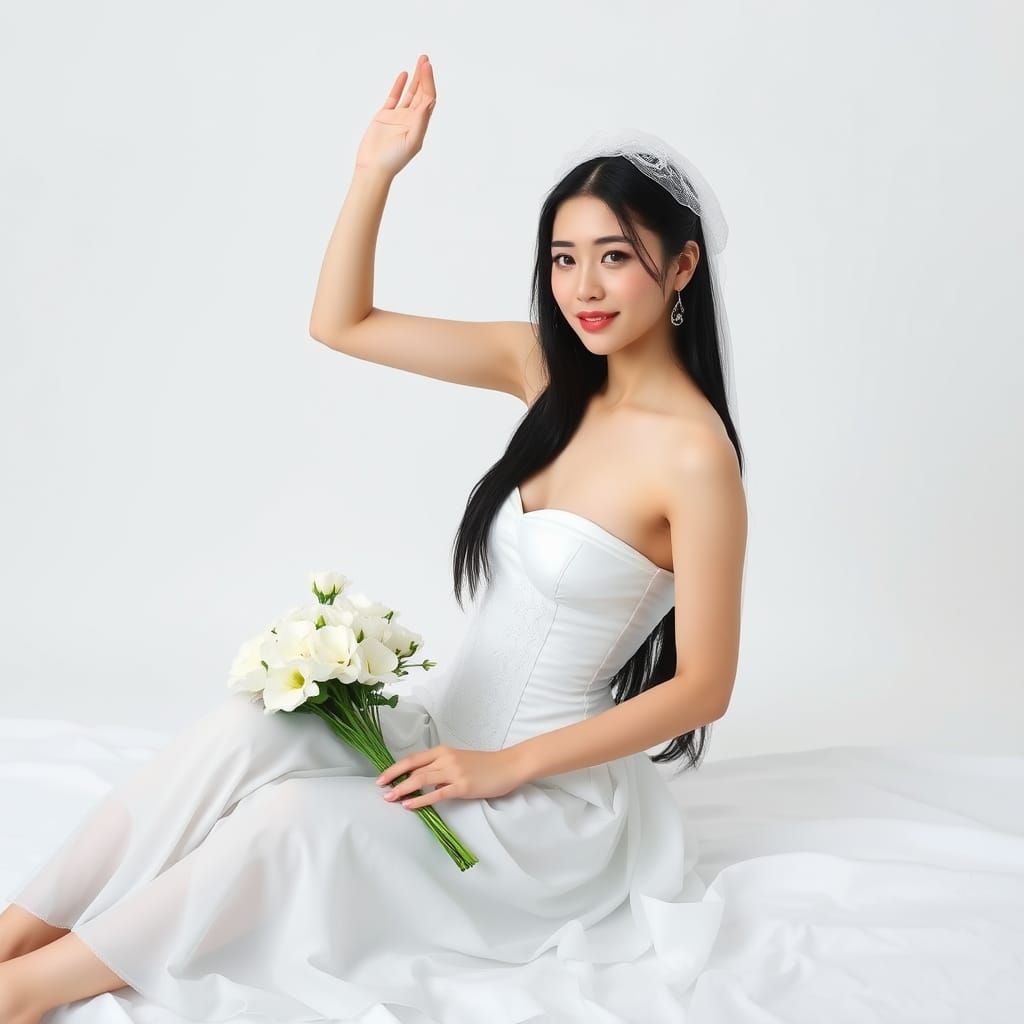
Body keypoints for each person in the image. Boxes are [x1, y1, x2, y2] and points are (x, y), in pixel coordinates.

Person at [0, 53, 747, 1024]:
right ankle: (15, 930)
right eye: (564, 258)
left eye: (614, 255)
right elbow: (341, 322)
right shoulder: (541, 370)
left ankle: (26, 991)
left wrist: (504, 768)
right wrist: (374, 172)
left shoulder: (694, 458)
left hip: (541, 807)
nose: (583, 286)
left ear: (681, 266)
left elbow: (703, 687)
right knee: (250, 726)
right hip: (440, 735)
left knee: (291, 819)